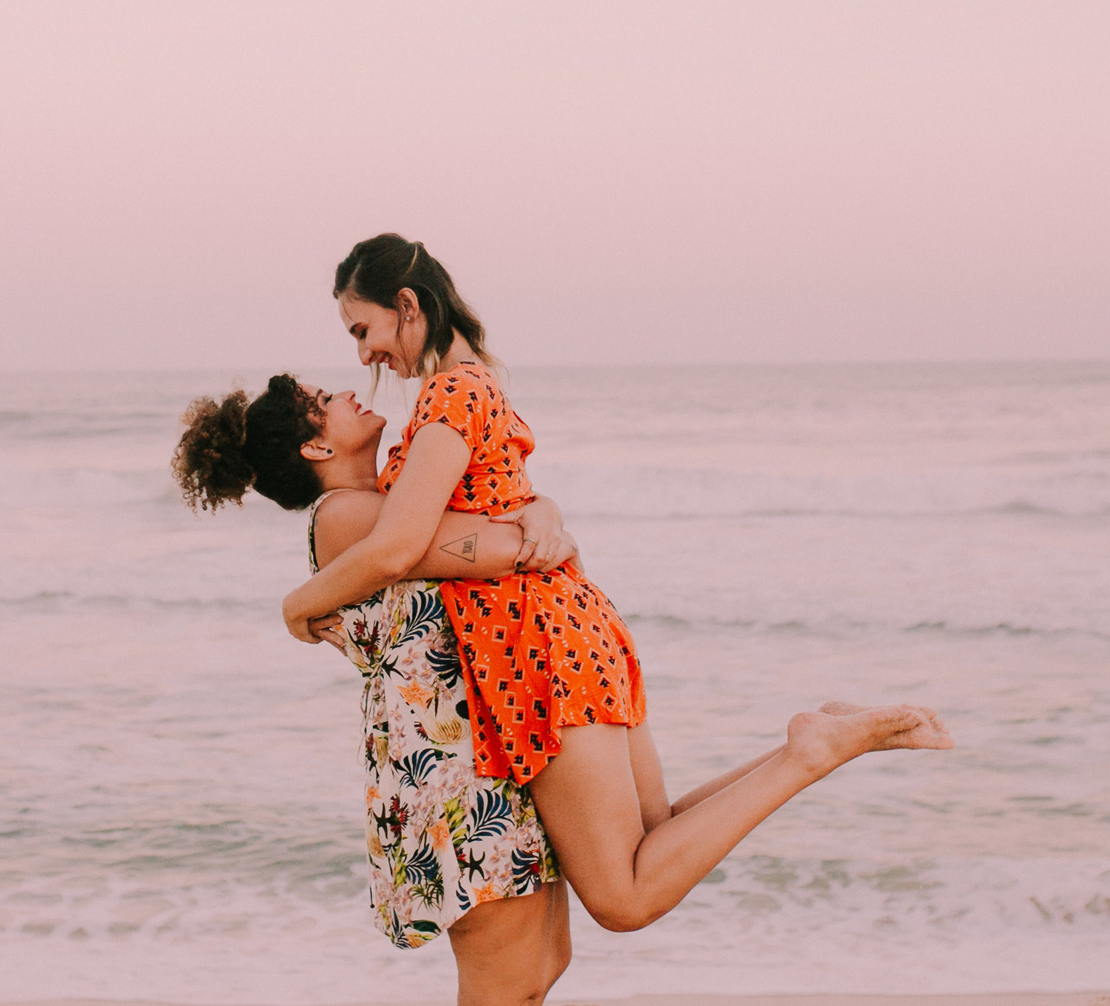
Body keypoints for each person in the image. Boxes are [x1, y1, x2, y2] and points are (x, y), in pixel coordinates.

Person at [279, 234, 952, 941]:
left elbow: (395, 547)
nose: (363, 355)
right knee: (656, 835)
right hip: (572, 625)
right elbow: (485, 512)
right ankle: (814, 740)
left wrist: (298, 604)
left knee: (623, 897)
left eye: (363, 330)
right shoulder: (473, 385)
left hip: (531, 645)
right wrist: (540, 513)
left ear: (407, 306)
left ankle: (811, 751)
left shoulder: (450, 392)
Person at [174, 376, 575, 1006]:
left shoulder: (389, 507)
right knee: (509, 986)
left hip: (475, 752)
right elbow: (501, 545)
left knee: (543, 967)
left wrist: (542, 509)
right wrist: (537, 521)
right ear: (314, 447)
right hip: (451, 775)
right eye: (324, 401)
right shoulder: (346, 516)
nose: (346, 393)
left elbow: (511, 519)